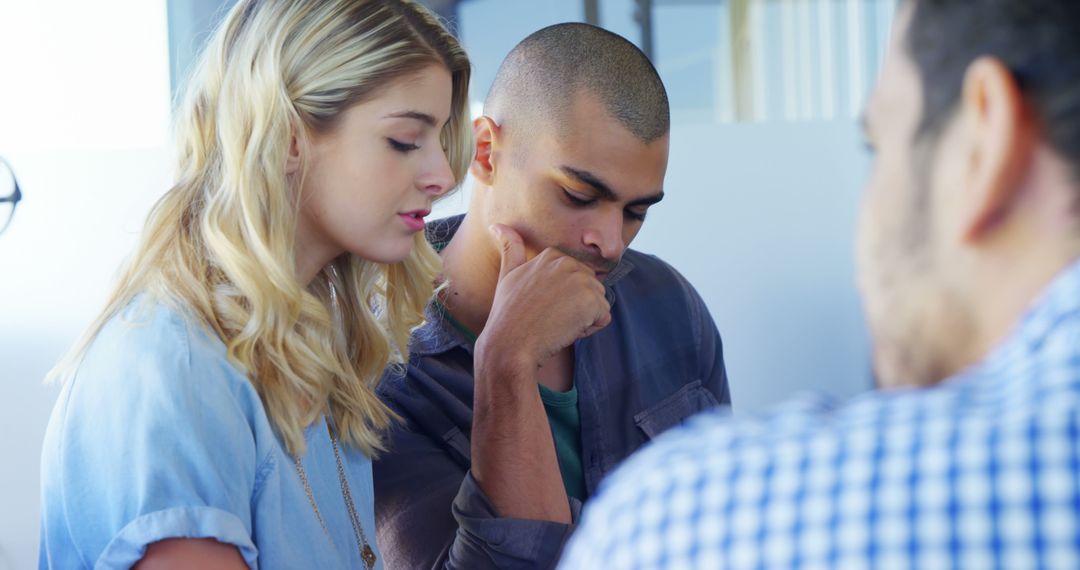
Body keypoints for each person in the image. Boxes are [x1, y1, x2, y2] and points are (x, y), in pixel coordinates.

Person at [560, 0, 1080, 568]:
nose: (611, 244)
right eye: (580, 196)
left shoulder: (676, 524)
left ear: (985, 144)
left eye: (877, 147)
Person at [38, 1, 471, 568]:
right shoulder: (176, 368)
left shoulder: (315, 354)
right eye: (405, 140)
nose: (442, 174)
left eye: (439, 139)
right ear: (289, 138)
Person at [374, 22, 731, 569]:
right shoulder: (374, 364)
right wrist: (507, 361)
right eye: (580, 195)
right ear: (486, 151)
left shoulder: (671, 306)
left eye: (637, 211)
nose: (609, 244)